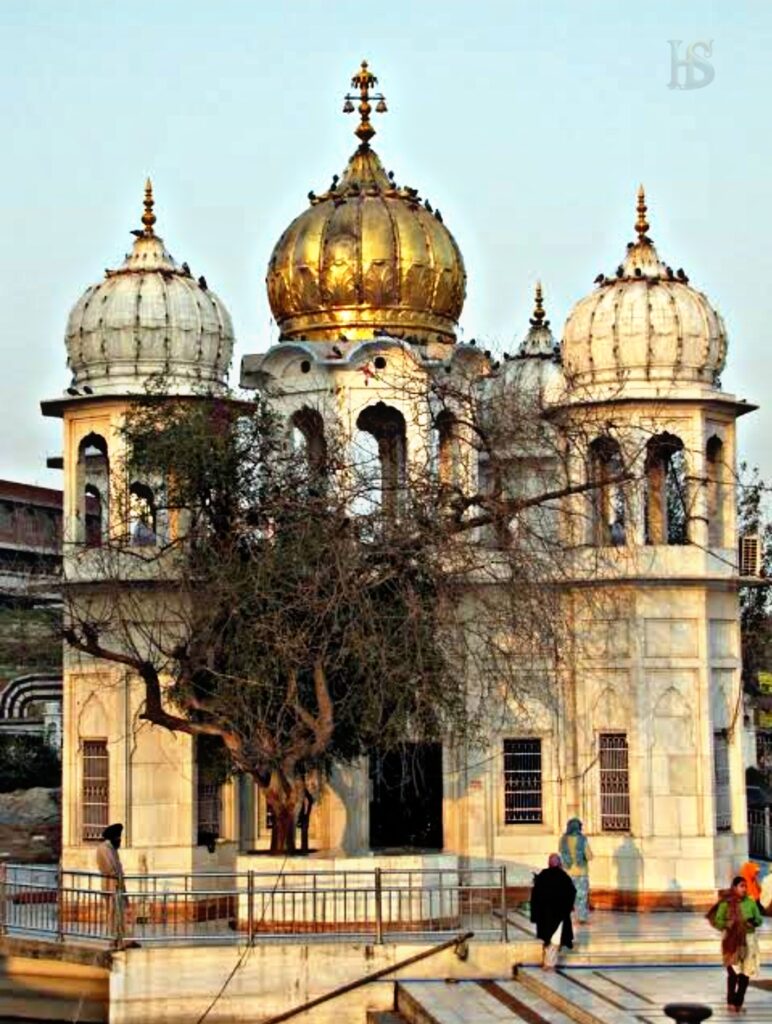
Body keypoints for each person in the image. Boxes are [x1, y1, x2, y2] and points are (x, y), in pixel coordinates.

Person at [714, 875, 763, 1013]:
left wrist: (753, 922)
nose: (744, 889)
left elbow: (759, 919)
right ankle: (730, 1002)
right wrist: (728, 924)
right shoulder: (726, 903)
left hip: (748, 940)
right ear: (734, 888)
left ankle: (738, 1003)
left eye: (745, 886)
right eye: (741, 886)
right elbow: (718, 921)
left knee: (745, 974)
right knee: (733, 973)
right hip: (731, 941)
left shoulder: (751, 902)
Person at [530, 853, 576, 970]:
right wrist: (568, 908)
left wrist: (535, 915)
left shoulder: (542, 876)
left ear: (549, 864)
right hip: (559, 916)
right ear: (559, 864)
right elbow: (572, 893)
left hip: (544, 917)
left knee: (548, 940)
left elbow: (535, 897)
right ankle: (549, 965)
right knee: (554, 941)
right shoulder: (563, 876)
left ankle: (547, 963)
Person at [96, 822, 127, 948]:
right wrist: (117, 876)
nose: (120, 840)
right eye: (118, 838)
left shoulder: (111, 848)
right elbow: (110, 868)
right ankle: (114, 939)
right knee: (113, 913)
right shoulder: (104, 849)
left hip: (117, 884)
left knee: (120, 913)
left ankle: (122, 939)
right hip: (111, 884)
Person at [559, 817, 592, 924]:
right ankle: (581, 917)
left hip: (567, 872)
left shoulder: (563, 839)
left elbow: (561, 854)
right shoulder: (582, 839)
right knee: (581, 896)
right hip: (581, 872)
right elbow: (588, 855)